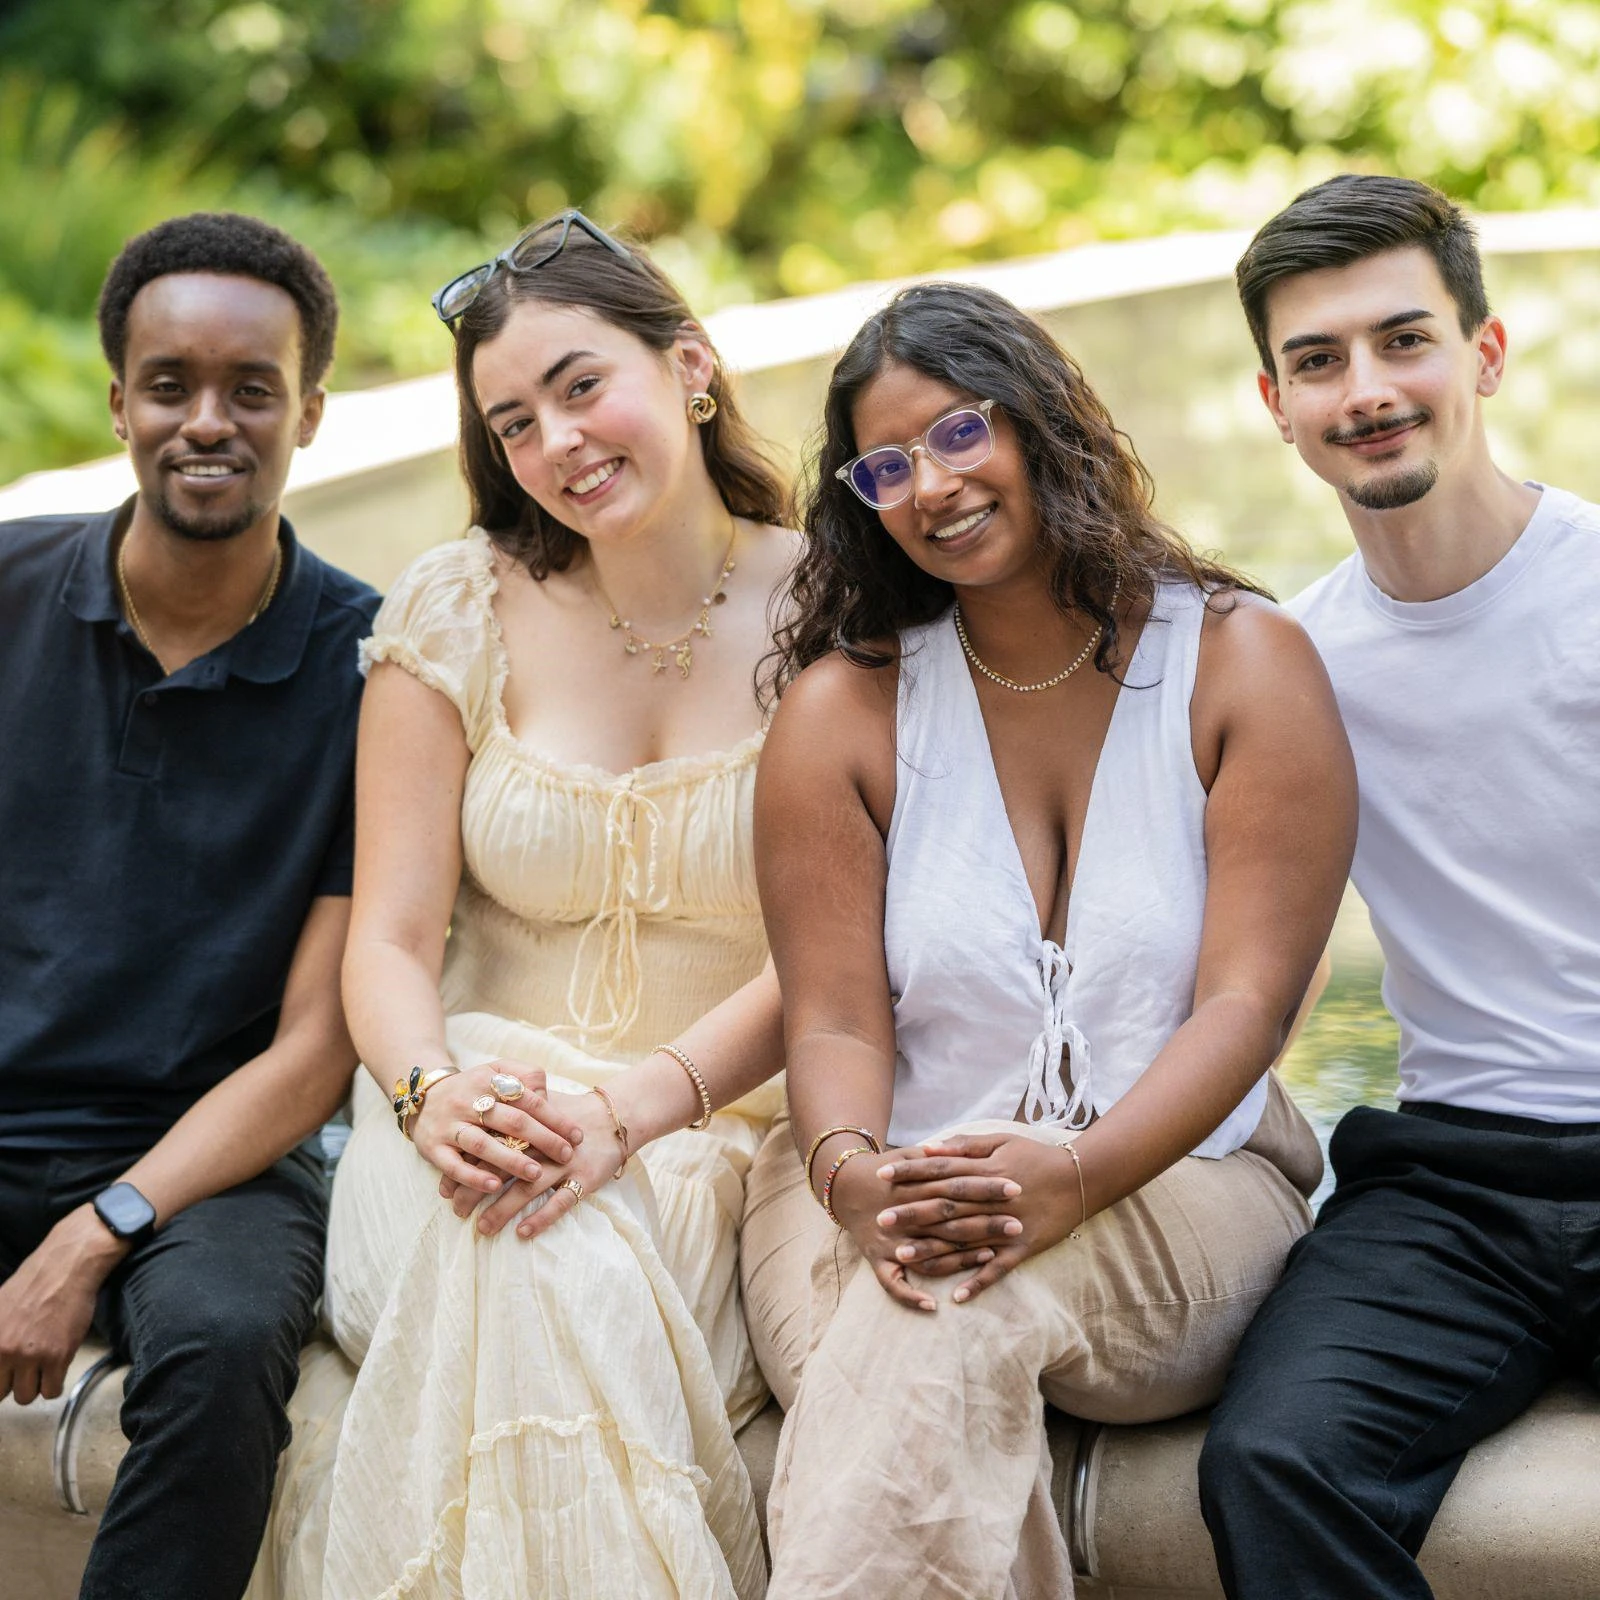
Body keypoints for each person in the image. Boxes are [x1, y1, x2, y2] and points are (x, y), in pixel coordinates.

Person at [739, 279, 1354, 1597]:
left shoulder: (1243, 664)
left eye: (961, 432)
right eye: (887, 467)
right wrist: (854, 1177)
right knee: (931, 1319)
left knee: (947, 1314)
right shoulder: (844, 713)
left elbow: (1244, 1011)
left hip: (1177, 1180)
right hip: (871, 1171)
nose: (932, 485)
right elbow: (833, 1018)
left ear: (1042, 419)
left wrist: (1073, 1174)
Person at [275, 212, 795, 1600]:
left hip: (707, 1137)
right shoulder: (459, 608)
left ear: (690, 366)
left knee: (555, 1256)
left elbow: (843, 953)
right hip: (456, 1117)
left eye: (581, 386)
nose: (557, 442)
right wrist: (429, 1096)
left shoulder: (838, 612)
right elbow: (390, 941)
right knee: (515, 1224)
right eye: (513, 423)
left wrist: (632, 1113)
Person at [1198, 175, 1600, 1600]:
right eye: (1318, 360)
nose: (1365, 390)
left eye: (1403, 340)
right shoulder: (1293, 664)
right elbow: (1267, 958)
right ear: (1276, 403)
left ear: (1484, 355)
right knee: (1270, 1462)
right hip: (1451, 1187)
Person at [0, 213, 377, 1600]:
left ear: (310, 413)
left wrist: (96, 1228)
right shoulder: (6, 592)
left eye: (251, 389)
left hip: (217, 1161)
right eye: (170, 385)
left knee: (221, 1352)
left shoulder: (375, 667)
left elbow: (317, 1049)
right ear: (120, 404)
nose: (206, 422)